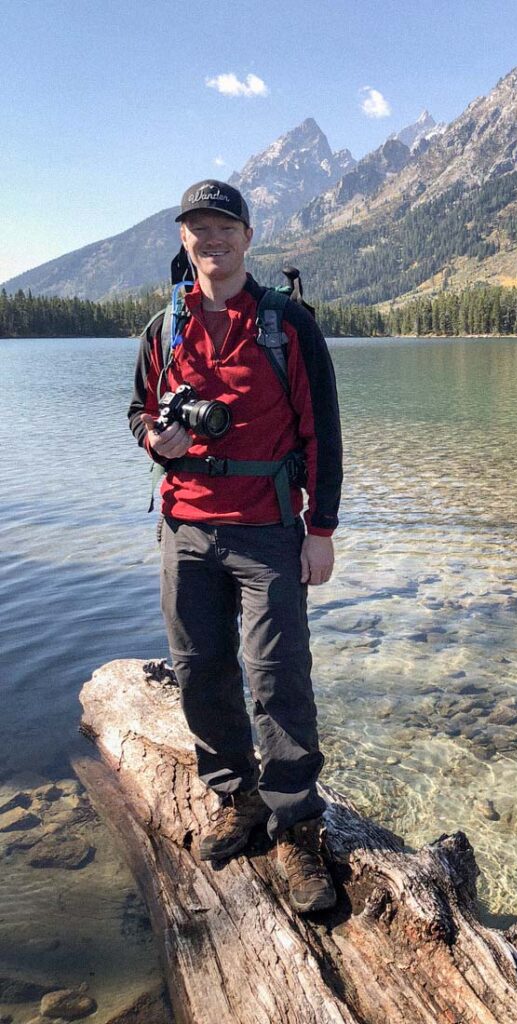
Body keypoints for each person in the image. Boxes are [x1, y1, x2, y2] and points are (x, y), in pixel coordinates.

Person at [127, 179, 343, 914]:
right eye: (197, 229)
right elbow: (137, 412)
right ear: (184, 240)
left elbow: (326, 437)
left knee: (279, 674)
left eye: (224, 228)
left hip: (268, 531)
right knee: (198, 669)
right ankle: (236, 798)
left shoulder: (287, 326)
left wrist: (322, 531)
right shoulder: (164, 327)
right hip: (185, 529)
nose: (211, 241)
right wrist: (157, 439)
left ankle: (296, 827)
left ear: (247, 237)